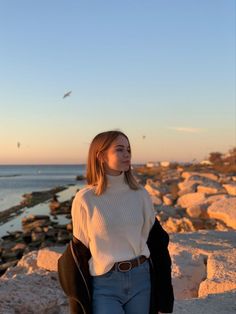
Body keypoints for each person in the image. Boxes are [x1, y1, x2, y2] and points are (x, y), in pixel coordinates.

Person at [58, 130, 174, 314]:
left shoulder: (140, 194)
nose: (127, 154)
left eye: (128, 149)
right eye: (120, 149)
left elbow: (157, 244)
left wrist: (165, 299)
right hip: (105, 284)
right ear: (101, 156)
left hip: (141, 279)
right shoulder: (85, 199)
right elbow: (79, 253)